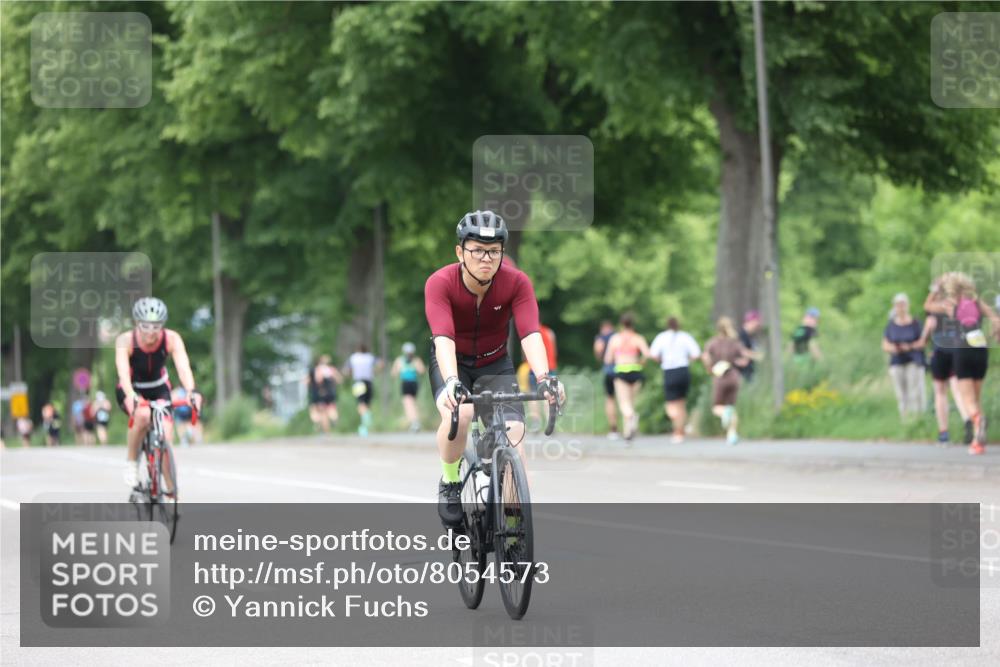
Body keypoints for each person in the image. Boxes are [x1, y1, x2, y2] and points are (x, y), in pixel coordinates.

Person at [424, 210, 564, 527]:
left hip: (494, 362)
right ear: (460, 252)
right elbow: (443, 337)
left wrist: (545, 378)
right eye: (477, 250)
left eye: (494, 251)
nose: (486, 258)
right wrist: (450, 382)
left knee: (514, 431)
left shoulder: (516, 283)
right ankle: (450, 482)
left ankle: (514, 526)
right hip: (452, 361)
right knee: (460, 416)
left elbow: (530, 333)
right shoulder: (440, 283)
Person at [115, 297, 201, 493]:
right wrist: (131, 395)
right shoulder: (125, 340)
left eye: (156, 327)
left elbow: (183, 367)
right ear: (137, 324)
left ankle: (171, 492)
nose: (151, 332)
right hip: (132, 387)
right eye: (145, 326)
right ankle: (131, 463)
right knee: (143, 416)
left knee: (166, 432)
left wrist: (191, 391)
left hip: (158, 386)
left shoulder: (171, 338)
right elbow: (122, 372)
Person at [924, 273, 1000, 455]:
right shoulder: (976, 301)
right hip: (980, 348)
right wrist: (992, 335)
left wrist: (936, 287)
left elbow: (927, 306)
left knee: (968, 400)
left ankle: (978, 419)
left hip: (962, 349)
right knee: (976, 397)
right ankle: (977, 441)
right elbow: (997, 320)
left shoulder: (951, 303)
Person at [649, 316, 701, 444]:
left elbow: (653, 354)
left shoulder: (662, 337)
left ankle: (678, 430)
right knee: (681, 403)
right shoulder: (685, 336)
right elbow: (696, 353)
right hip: (683, 370)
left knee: (671, 404)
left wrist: (662, 360)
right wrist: (687, 360)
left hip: (670, 371)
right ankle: (680, 430)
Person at [702, 317, 752, 446]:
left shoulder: (713, 342)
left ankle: (725, 414)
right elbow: (745, 358)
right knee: (731, 407)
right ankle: (732, 435)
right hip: (734, 376)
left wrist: (709, 368)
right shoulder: (735, 342)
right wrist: (739, 362)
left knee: (717, 407)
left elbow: (706, 357)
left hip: (720, 377)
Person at [604, 312, 651, 441]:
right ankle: (627, 433)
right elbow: (647, 354)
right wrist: (640, 362)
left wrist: (618, 358)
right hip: (636, 371)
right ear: (632, 324)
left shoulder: (615, 339)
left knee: (624, 403)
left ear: (621, 324)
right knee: (631, 402)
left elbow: (608, 359)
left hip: (621, 372)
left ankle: (631, 417)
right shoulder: (638, 338)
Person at [881, 293, 926, 419]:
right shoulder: (891, 325)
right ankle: (905, 419)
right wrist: (894, 348)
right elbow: (885, 344)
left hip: (913, 360)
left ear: (907, 305)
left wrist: (910, 346)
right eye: (898, 305)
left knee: (914, 391)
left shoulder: (915, 323)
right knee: (901, 394)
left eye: (903, 304)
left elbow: (923, 341)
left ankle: (917, 418)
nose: (900, 307)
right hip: (897, 361)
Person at [593, 320, 620, 439]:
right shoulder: (617, 336)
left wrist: (600, 358)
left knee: (610, 399)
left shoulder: (601, 337)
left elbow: (598, 349)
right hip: (622, 370)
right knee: (624, 400)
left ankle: (613, 429)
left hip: (609, 371)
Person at [346, 345, 380, 436]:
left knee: (361, 403)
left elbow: (347, 370)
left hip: (358, 382)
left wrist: (350, 374)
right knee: (368, 403)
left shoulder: (353, 358)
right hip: (369, 381)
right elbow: (381, 364)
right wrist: (375, 371)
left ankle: (364, 423)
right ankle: (366, 421)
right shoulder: (370, 357)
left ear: (357, 350)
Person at [392, 342, 426, 432]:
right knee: (412, 403)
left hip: (406, 384)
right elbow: (422, 371)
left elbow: (394, 373)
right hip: (414, 383)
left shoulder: (399, 360)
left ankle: (414, 423)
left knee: (408, 404)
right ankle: (415, 422)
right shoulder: (416, 360)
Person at [307, 355, 342, 434]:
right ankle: (334, 419)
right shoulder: (331, 369)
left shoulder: (318, 369)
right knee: (331, 408)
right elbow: (339, 380)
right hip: (331, 392)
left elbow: (318, 379)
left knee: (322, 412)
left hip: (321, 392)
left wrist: (318, 386)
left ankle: (324, 429)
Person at [738, 310, 763, 382]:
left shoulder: (750, 336)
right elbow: (741, 351)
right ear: (751, 321)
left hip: (750, 371)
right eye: (757, 323)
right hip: (742, 373)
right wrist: (756, 356)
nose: (757, 326)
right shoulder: (741, 335)